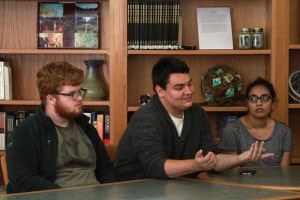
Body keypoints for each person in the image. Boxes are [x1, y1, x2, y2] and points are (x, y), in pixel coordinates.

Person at [115, 57, 273, 181]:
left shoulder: (198, 114)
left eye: (189, 84)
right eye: (179, 87)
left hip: (179, 189)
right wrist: (195, 165)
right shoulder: (145, 118)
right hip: (138, 189)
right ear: (160, 90)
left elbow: (212, 159)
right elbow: (156, 167)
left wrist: (240, 158)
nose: (189, 91)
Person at [6, 61, 116, 193]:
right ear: (51, 98)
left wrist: (108, 194)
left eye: (80, 92)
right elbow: (23, 180)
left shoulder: (86, 127)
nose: (80, 98)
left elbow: (106, 171)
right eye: (72, 94)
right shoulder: (26, 131)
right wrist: (64, 196)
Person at [219, 77, 292, 166]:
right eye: (253, 99)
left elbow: (284, 172)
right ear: (247, 103)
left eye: (265, 98)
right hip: (241, 180)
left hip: (276, 180)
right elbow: (232, 171)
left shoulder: (284, 131)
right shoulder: (232, 130)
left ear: (273, 103)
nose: (259, 103)